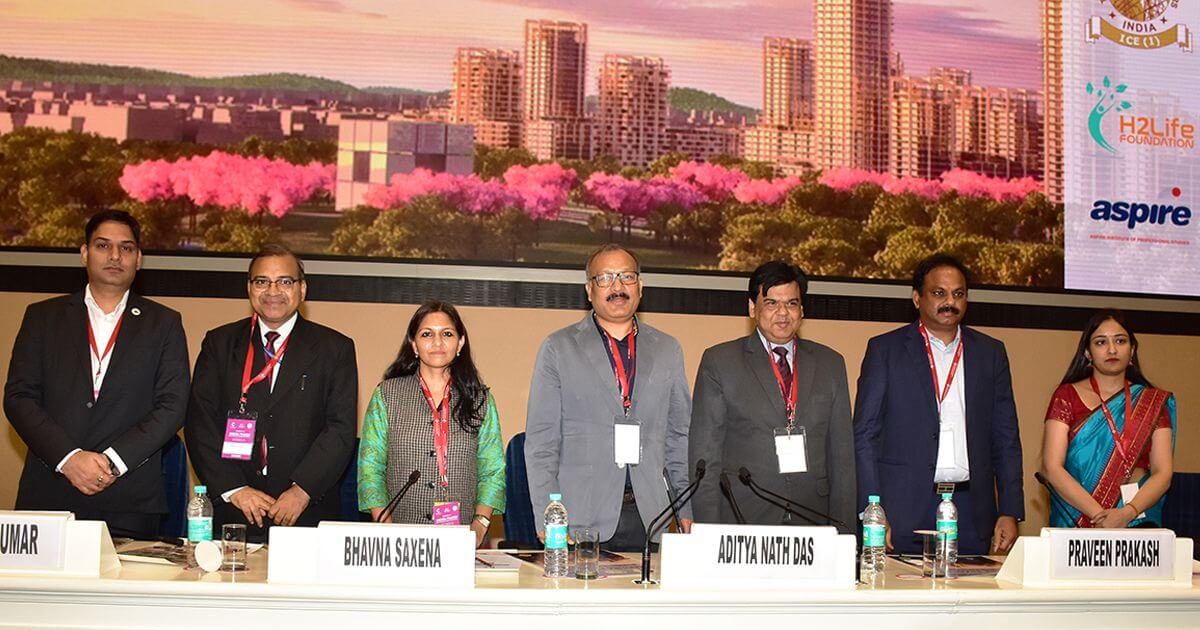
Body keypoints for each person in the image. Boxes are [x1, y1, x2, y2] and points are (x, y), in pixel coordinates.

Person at [4, 210, 190, 537]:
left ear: (139, 259)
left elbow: (172, 406)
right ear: (84, 253)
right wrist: (69, 459)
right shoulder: (42, 318)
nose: (115, 255)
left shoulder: (164, 323)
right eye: (103, 245)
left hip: (130, 498)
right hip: (50, 491)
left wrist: (113, 463)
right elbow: (20, 399)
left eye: (127, 248)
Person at [524, 244, 693, 551]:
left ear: (640, 286)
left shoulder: (668, 349)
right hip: (579, 522)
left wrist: (687, 509)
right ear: (589, 290)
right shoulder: (558, 348)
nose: (617, 287)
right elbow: (541, 443)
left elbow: (679, 438)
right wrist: (549, 517)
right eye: (605, 278)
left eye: (626, 277)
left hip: (651, 518)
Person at [854, 253, 1023, 555]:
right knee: (900, 600)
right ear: (917, 298)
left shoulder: (991, 353)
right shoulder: (885, 350)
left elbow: (1006, 438)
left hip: (972, 509)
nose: (950, 302)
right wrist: (871, 509)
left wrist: (1010, 510)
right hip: (902, 507)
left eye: (958, 294)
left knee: (970, 601)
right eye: (938, 293)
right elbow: (865, 436)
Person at [185, 245, 357, 541]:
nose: (272, 291)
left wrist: (302, 491)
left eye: (285, 281)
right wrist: (235, 490)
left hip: (306, 512)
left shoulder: (334, 348)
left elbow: (339, 430)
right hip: (235, 511)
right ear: (249, 288)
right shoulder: (220, 344)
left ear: (302, 289)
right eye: (261, 281)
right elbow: (200, 424)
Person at [689, 261, 854, 532]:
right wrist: (709, 533)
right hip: (743, 518)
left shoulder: (831, 364)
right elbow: (706, 456)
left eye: (791, 303)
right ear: (752, 308)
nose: (782, 313)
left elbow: (843, 459)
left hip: (812, 518)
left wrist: (846, 537)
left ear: (802, 309)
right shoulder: (720, 362)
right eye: (771, 303)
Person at [357, 300, 505, 547]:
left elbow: (493, 471)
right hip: (401, 536)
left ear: (460, 343)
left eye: (447, 334)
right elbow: (370, 468)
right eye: (427, 334)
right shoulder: (387, 394)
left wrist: (480, 524)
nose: (437, 342)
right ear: (414, 344)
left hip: (463, 537)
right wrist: (385, 526)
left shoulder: (480, 399)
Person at [1042, 309, 1175, 528]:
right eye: (1101, 342)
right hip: (1076, 515)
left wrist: (1126, 513)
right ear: (1087, 352)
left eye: (1120, 341)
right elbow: (1051, 467)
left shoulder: (1151, 402)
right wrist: (1101, 515)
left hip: (1135, 516)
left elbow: (1163, 473)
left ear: (1132, 350)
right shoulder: (1066, 396)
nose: (1112, 349)